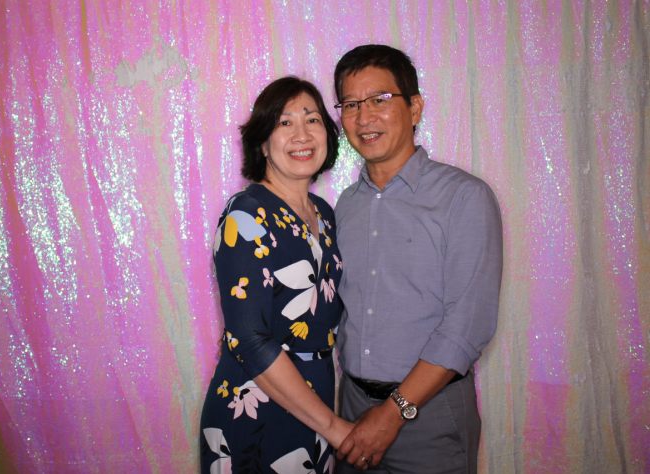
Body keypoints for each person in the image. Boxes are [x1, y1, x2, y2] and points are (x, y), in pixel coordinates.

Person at [333, 44, 503, 473]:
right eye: (351, 104)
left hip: (429, 417)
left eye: (379, 99)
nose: (363, 117)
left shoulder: (464, 197)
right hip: (351, 410)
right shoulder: (344, 207)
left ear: (415, 107)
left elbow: (467, 325)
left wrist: (393, 413)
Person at [200, 76, 353, 473]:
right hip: (257, 404)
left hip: (317, 399)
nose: (302, 134)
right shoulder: (246, 214)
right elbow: (250, 339)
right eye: (285, 122)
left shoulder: (325, 214)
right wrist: (334, 427)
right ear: (263, 144)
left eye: (312, 119)